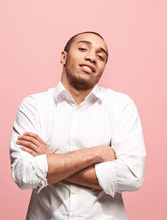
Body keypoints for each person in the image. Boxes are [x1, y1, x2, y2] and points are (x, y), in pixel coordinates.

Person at [10, 31, 146, 220]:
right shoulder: (34, 105)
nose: (91, 57)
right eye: (83, 49)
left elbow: (132, 176)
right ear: (63, 57)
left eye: (101, 56)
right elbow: (24, 175)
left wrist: (51, 160)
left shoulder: (121, 106)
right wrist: (95, 153)